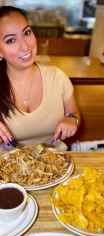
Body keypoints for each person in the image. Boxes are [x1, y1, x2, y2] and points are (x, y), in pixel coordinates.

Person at [0, 6, 80, 150]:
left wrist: (71, 119)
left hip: (56, 164)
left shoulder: (57, 77)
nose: (25, 46)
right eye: (11, 40)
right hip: (7, 166)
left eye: (27, 32)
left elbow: (74, 114)